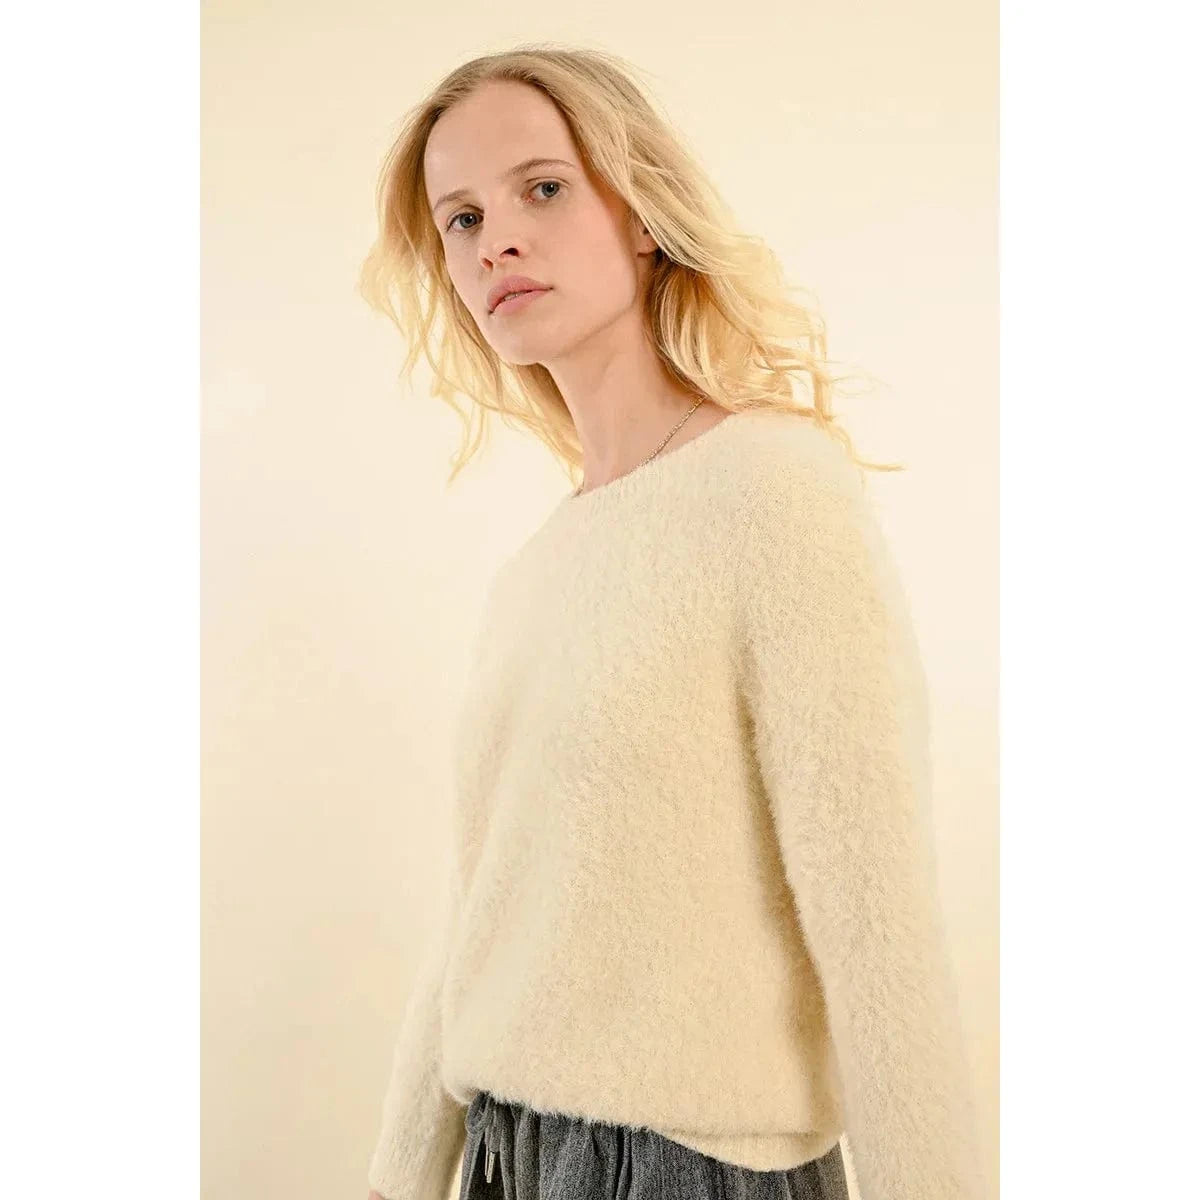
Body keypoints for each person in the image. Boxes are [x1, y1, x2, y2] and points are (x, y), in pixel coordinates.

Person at [361, 44, 986, 1200]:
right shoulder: (537, 569)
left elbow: (874, 914)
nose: (496, 242)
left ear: (640, 214)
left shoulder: (774, 490)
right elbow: (479, 904)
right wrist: (402, 1174)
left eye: (543, 188)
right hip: (506, 1151)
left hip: (689, 1163)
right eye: (462, 219)